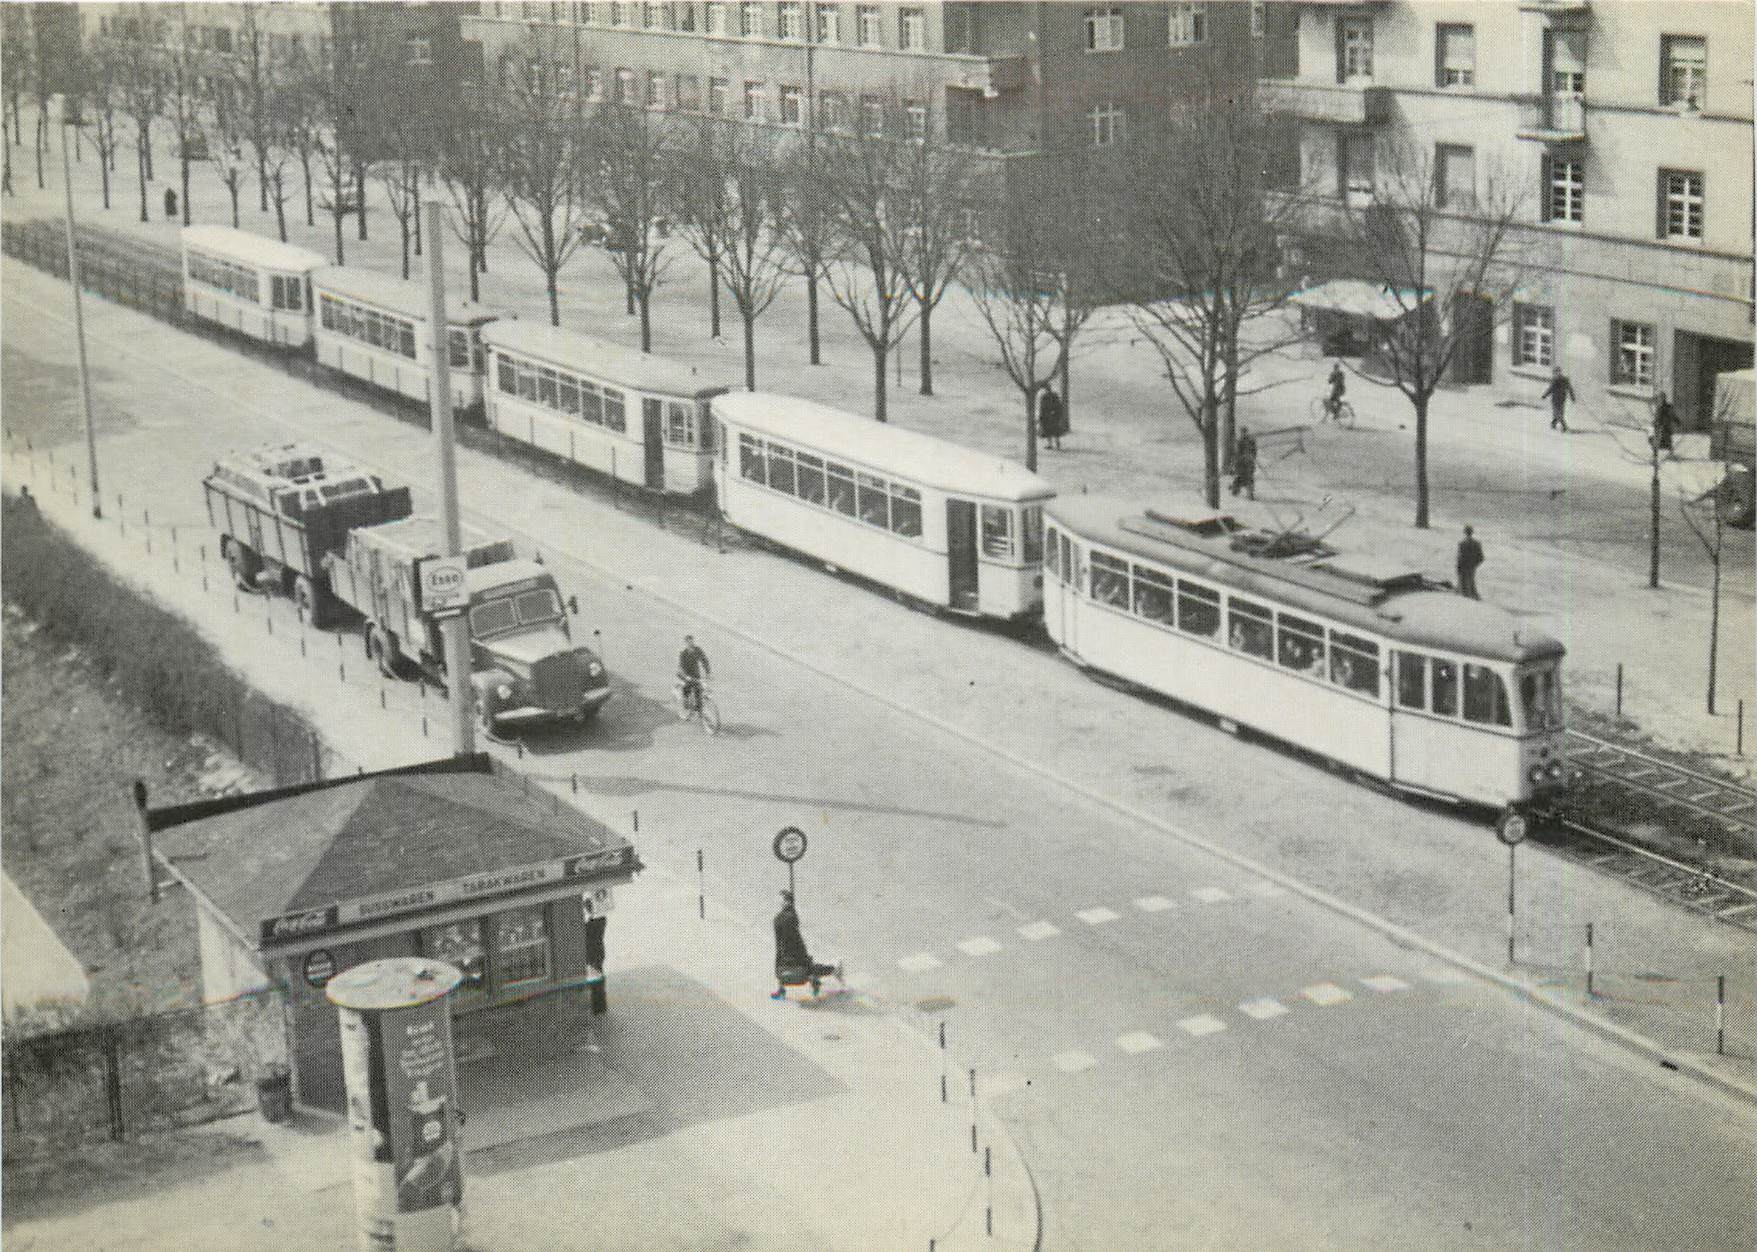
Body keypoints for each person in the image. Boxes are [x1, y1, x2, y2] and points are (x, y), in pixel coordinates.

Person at [772, 889, 840, 999]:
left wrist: (788, 907)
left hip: (783, 976)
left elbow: (778, 954)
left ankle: (781, 990)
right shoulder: (797, 944)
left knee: (783, 960)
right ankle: (831, 972)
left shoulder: (778, 926)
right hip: (802, 976)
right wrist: (791, 909)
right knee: (809, 967)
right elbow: (805, 960)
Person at [676, 634, 710, 716]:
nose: (690, 644)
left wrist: (708, 672)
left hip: (695, 674)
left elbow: (704, 660)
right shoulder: (683, 654)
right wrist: (686, 677)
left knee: (699, 690)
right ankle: (685, 703)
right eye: (688, 642)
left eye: (692, 642)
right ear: (686, 643)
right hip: (685, 674)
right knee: (687, 688)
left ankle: (699, 710)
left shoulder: (698, 650)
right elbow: (681, 667)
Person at [1541, 366, 1576, 432]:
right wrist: (1572, 398)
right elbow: (1570, 389)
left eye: (1556, 372)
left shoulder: (1556, 380)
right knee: (1558, 412)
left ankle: (1564, 426)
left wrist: (1544, 396)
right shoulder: (1565, 379)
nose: (1556, 374)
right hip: (1561, 399)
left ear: (1556, 372)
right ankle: (1553, 423)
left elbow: (1550, 389)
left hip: (1556, 399)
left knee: (1558, 413)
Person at [1456, 524, 1484, 599]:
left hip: (1464, 566)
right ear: (1472, 532)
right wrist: (1475, 564)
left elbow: (1460, 557)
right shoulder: (1477, 543)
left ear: (1465, 532)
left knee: (1463, 583)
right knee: (1471, 581)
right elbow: (1481, 557)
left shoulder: (1462, 544)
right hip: (1472, 566)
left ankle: (1468, 598)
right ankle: (1474, 596)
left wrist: (1458, 567)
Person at [1230, 427, 1258, 500]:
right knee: (1239, 478)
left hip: (1248, 463)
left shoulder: (1251, 441)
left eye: (1245, 432)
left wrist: (1252, 457)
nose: (1244, 434)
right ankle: (1235, 490)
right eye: (1242, 432)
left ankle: (1250, 494)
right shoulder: (1239, 442)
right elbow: (1236, 453)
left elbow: (1254, 451)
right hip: (1241, 464)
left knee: (1249, 478)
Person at [1037, 383, 1066, 451]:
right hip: (1049, 416)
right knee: (1050, 431)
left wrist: (1057, 414)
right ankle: (1052, 444)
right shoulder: (1046, 396)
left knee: (1054, 430)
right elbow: (1042, 408)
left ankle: (1056, 444)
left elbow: (1058, 406)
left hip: (1051, 416)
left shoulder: (1050, 396)